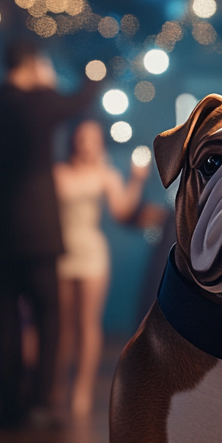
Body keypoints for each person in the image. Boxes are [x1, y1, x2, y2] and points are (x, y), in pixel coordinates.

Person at [0, 42, 92, 428]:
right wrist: (54, 82)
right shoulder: (42, 101)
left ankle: (8, 406)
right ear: (33, 64)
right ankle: (39, 403)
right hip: (40, 229)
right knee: (48, 318)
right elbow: (82, 99)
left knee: (4, 321)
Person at [53, 121, 150, 416]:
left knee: (87, 323)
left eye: (92, 138)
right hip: (61, 252)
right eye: (82, 137)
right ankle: (54, 386)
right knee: (62, 327)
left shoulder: (105, 174)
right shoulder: (59, 172)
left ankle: (81, 391)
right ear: (73, 141)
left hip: (91, 251)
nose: (86, 144)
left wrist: (136, 180)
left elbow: (121, 212)